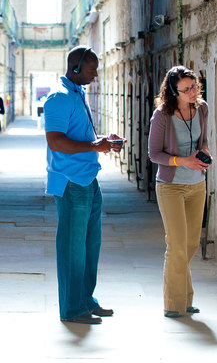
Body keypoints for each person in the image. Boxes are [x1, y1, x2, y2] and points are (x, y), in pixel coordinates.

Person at [44, 46, 125, 324]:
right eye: (92, 70)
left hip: (88, 179)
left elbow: (79, 136)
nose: (96, 75)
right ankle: (72, 308)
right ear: (75, 68)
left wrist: (102, 142)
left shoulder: (78, 94)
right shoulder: (59, 98)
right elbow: (55, 140)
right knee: (72, 248)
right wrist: (94, 145)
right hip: (71, 182)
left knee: (91, 245)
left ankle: (86, 301)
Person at [148, 65, 212, 318]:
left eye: (194, 86)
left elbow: (203, 139)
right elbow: (155, 154)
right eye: (186, 90)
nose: (192, 92)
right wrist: (183, 161)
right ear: (174, 91)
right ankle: (174, 303)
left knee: (191, 243)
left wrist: (205, 153)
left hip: (197, 183)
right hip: (171, 186)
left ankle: (184, 299)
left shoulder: (202, 108)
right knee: (176, 245)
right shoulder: (162, 115)